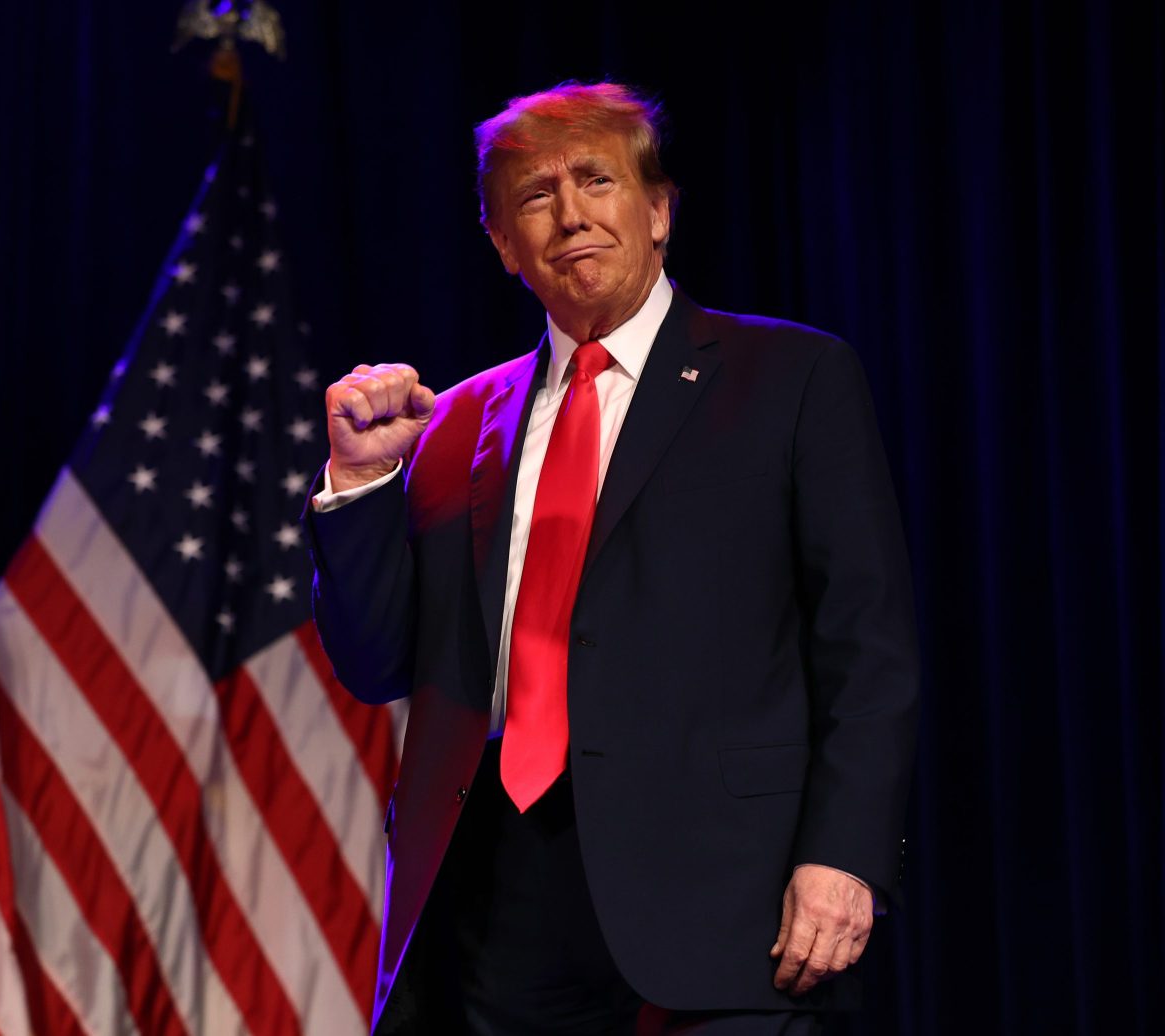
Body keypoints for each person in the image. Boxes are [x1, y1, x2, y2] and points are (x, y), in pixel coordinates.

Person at [306, 81, 919, 1035]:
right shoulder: (461, 419)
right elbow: (377, 661)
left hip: (729, 904)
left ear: (660, 209)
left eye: (596, 179)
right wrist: (358, 486)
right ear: (504, 245)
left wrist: (845, 856)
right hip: (498, 908)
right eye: (533, 197)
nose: (570, 214)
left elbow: (867, 647)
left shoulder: (790, 378)